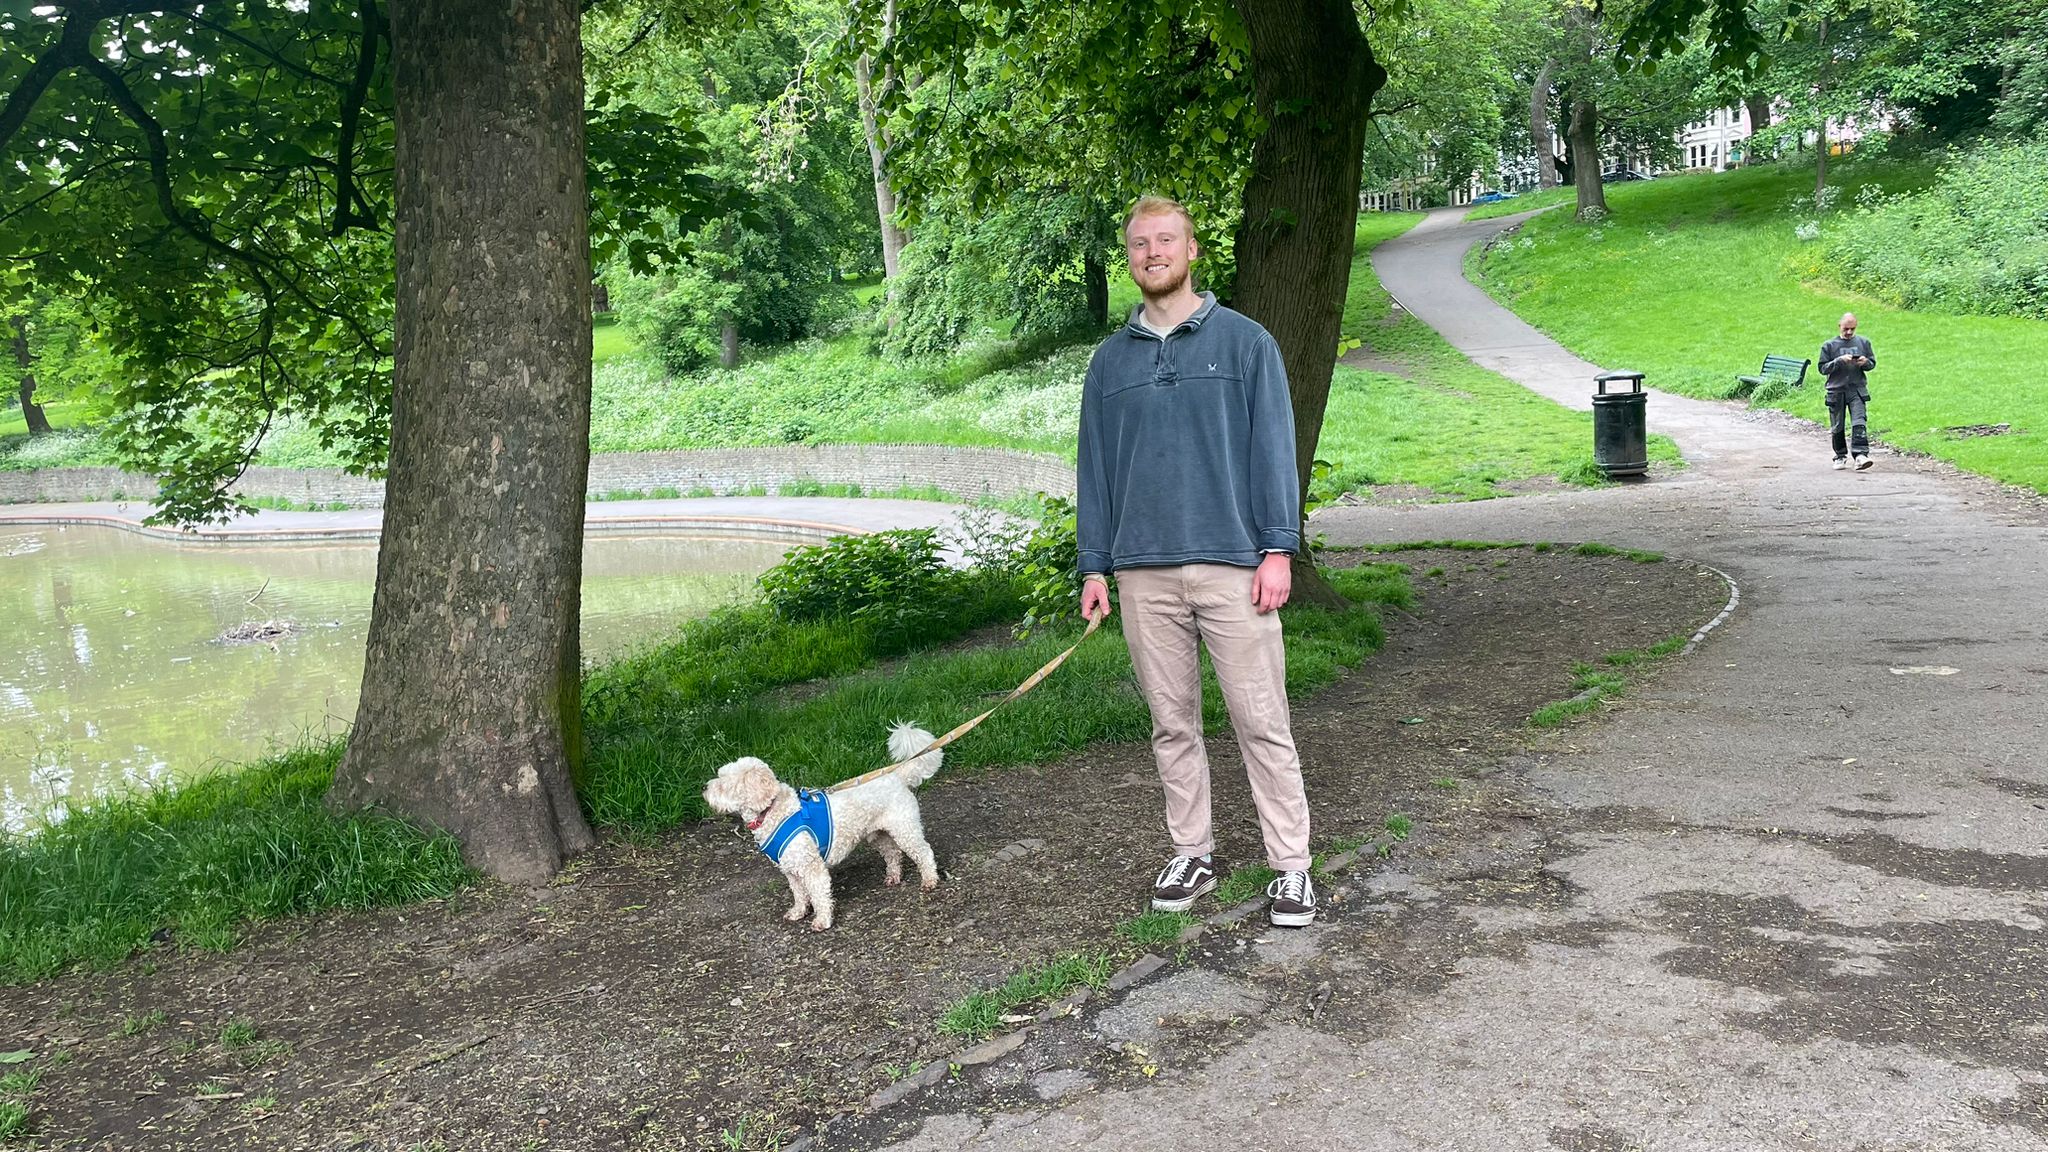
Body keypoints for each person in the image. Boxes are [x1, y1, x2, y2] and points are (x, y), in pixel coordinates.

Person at [1074, 195, 1316, 928]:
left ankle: (1293, 867)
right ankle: (1193, 851)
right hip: (1142, 570)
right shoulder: (1109, 363)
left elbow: (1274, 448)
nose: (1153, 252)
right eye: (1141, 243)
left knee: (1261, 719)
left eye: (1166, 240)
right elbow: (1095, 470)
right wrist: (1094, 565)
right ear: (1130, 257)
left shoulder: (1246, 344)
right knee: (1172, 723)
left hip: (1234, 566)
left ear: (1192, 249)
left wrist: (1278, 549)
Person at [1819, 312, 1876, 470]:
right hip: (1835, 390)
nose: (1849, 332)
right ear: (1840, 326)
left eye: (1852, 329)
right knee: (1837, 425)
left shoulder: (1864, 343)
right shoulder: (1829, 345)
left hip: (1857, 389)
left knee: (1859, 422)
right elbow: (1822, 368)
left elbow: (1872, 363)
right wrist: (1838, 361)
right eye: (1846, 329)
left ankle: (1860, 455)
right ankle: (1840, 455)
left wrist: (1865, 362)